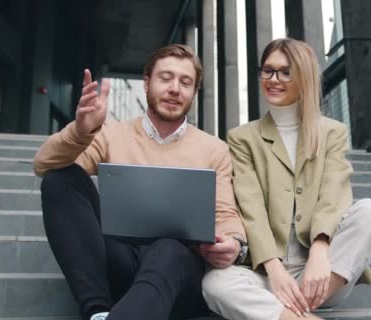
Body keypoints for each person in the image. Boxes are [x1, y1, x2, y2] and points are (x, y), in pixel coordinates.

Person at [34, 44, 247, 320]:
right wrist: (81, 131)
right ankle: (98, 312)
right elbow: (44, 164)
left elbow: (226, 213)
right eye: (165, 78)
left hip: (179, 273)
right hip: (120, 261)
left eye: (185, 82)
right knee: (60, 179)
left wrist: (235, 244)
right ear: (147, 83)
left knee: (168, 245)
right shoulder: (111, 134)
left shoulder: (214, 149)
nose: (174, 89)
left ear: (194, 93)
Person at [202, 38, 371, 320]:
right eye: (267, 70)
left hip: (324, 274)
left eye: (285, 72)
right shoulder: (242, 138)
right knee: (214, 284)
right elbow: (250, 207)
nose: (273, 79)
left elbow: (333, 193)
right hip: (267, 275)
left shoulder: (332, 132)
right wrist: (275, 270)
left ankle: (288, 309)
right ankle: (299, 317)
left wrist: (320, 251)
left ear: (304, 76)